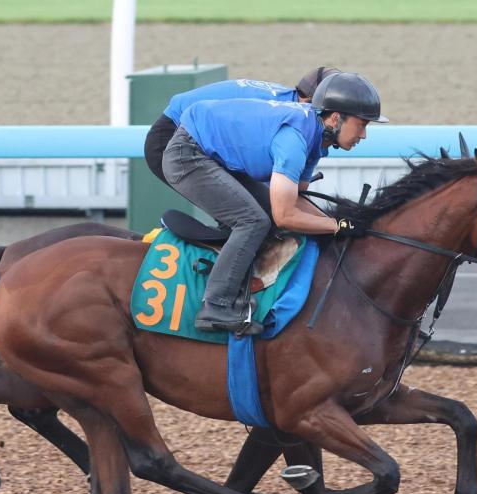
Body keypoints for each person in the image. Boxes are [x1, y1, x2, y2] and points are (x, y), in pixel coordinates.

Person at [160, 72, 388, 335]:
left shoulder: (316, 140)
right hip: (187, 155)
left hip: (211, 153)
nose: (364, 135)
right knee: (252, 221)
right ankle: (215, 305)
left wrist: (338, 226)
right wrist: (336, 225)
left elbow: (297, 199)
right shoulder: (295, 141)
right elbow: (285, 215)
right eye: (362, 124)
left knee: (264, 214)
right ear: (336, 118)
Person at [144, 67, 341, 186]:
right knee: (240, 213)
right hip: (172, 136)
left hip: (185, 129)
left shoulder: (292, 106)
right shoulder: (289, 115)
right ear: (309, 102)